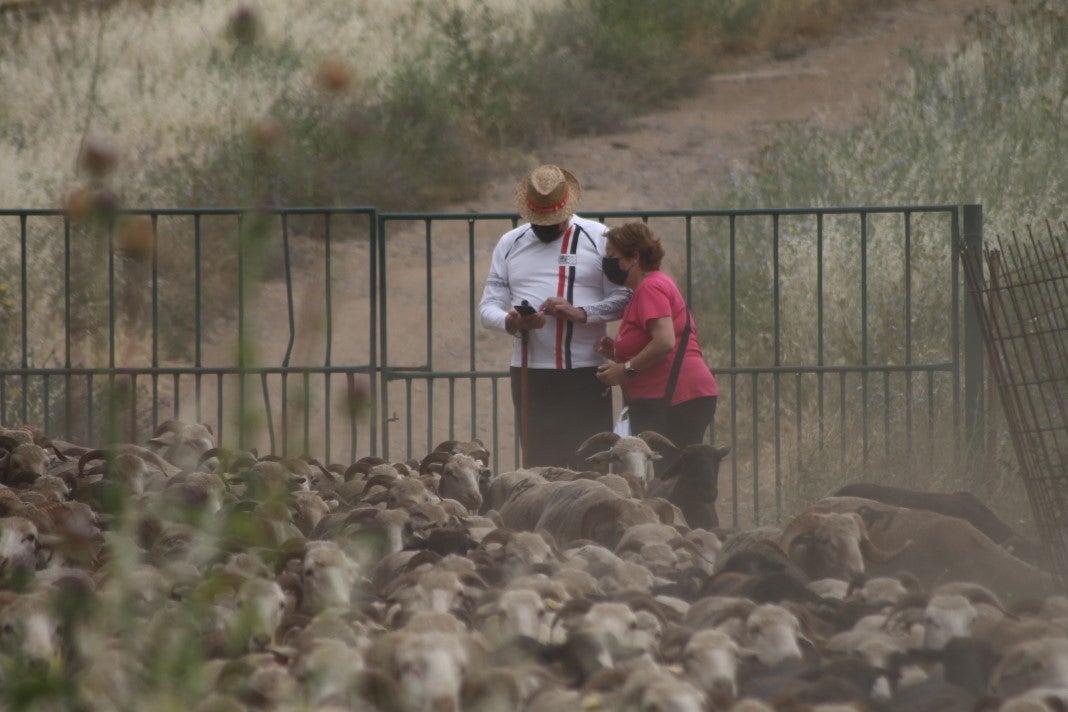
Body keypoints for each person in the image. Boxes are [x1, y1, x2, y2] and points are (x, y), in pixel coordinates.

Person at [479, 164, 631, 468]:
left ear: (567, 210)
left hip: (588, 371)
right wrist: (513, 321)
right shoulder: (510, 243)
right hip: (531, 372)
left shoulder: (599, 237)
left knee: (592, 466)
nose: (545, 228)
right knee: (540, 467)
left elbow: (626, 297)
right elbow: (487, 308)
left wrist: (581, 313)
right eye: (538, 222)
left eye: (552, 222)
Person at [595, 221, 718, 455]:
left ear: (634, 257)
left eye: (612, 255)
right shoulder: (648, 287)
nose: (607, 262)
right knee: (666, 477)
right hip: (672, 398)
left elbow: (664, 342)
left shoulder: (651, 287)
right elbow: (652, 342)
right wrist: (616, 353)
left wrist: (624, 370)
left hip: (678, 398)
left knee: (668, 480)